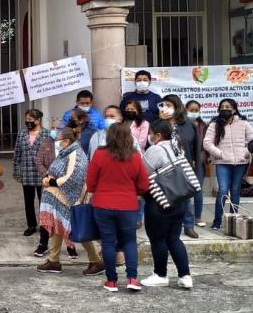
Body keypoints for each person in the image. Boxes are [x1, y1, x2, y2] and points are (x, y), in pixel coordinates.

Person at [87, 123, 149, 292]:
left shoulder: (100, 154)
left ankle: (112, 281)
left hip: (102, 205)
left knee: (108, 243)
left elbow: (90, 184)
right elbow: (144, 184)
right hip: (128, 206)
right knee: (129, 241)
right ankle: (132, 278)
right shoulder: (135, 156)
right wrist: (132, 191)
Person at [36, 128, 105, 276]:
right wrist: (48, 178)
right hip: (58, 198)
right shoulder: (66, 152)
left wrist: (52, 182)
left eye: (58, 140)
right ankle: (54, 260)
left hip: (69, 199)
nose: (56, 143)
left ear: (66, 141)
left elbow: (73, 178)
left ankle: (96, 262)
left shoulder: (76, 154)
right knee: (56, 226)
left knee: (75, 229)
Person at [140, 120, 193, 290]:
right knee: (174, 238)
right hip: (180, 199)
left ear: (158, 135)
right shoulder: (177, 147)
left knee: (158, 239)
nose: (149, 136)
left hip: (159, 201)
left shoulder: (154, 150)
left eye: (151, 133)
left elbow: (143, 175)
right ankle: (185, 276)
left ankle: (160, 274)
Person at [203, 99, 253, 230]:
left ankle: (233, 220)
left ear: (234, 109)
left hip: (241, 162)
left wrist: (245, 153)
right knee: (223, 190)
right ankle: (217, 221)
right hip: (223, 162)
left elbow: (252, 141)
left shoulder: (244, 123)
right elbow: (207, 143)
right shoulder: (214, 124)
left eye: (228, 107)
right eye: (222, 107)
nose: (224, 109)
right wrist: (220, 154)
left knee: (235, 190)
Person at [34, 128, 81, 262]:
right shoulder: (46, 143)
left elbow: (74, 169)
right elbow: (38, 161)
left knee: (65, 218)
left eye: (58, 129)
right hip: (49, 185)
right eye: (52, 128)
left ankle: (70, 246)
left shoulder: (73, 149)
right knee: (47, 216)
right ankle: (43, 244)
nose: (54, 131)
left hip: (65, 188)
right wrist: (47, 175)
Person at [159, 94, 201, 239]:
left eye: (169, 106)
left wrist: (195, 162)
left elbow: (196, 146)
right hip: (163, 166)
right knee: (165, 197)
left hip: (184, 164)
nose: (166, 108)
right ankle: (167, 227)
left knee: (187, 197)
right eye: (164, 105)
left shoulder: (189, 124)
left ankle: (188, 226)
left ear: (177, 107)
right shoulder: (158, 123)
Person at [12, 109, 51, 237]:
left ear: (38, 120)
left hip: (42, 174)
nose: (28, 122)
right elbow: (17, 153)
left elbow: (51, 156)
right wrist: (17, 171)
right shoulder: (22, 134)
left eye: (31, 120)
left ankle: (44, 225)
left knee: (43, 201)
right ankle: (31, 225)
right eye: (27, 119)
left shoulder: (47, 134)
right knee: (28, 201)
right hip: (27, 173)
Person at [186, 100, 209, 227]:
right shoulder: (182, 125)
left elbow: (206, 145)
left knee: (198, 190)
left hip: (200, 162)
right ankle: (186, 218)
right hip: (185, 161)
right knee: (185, 191)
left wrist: (200, 159)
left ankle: (198, 217)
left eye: (196, 110)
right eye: (191, 110)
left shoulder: (203, 125)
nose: (194, 113)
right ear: (185, 110)